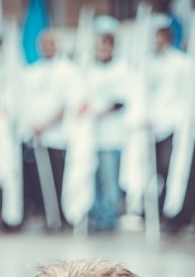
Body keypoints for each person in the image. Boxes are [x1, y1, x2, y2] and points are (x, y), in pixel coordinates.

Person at [23, 31, 77, 229]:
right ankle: (49, 215)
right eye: (43, 44)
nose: (46, 48)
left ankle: (65, 215)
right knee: (42, 179)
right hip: (39, 136)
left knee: (62, 177)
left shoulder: (66, 70)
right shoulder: (32, 71)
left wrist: (46, 124)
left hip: (60, 135)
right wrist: (34, 125)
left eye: (50, 44)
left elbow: (68, 102)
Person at [146, 16, 189, 220]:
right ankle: (161, 210)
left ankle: (177, 213)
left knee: (170, 167)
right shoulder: (150, 62)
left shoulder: (181, 63)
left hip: (173, 123)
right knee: (157, 171)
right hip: (153, 124)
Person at [86, 32, 127, 232]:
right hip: (92, 137)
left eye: (106, 46)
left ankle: (109, 218)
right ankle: (97, 215)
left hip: (111, 136)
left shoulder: (120, 70)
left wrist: (96, 113)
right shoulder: (92, 70)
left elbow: (119, 102)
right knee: (95, 179)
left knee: (109, 178)